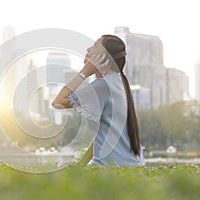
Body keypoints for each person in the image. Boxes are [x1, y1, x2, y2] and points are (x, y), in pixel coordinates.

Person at [52, 35, 145, 166]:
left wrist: (84, 72)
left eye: (95, 46)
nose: (88, 49)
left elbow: (58, 102)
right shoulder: (119, 81)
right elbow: (104, 136)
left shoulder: (103, 86)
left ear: (104, 57)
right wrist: (79, 166)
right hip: (133, 164)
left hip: (112, 169)